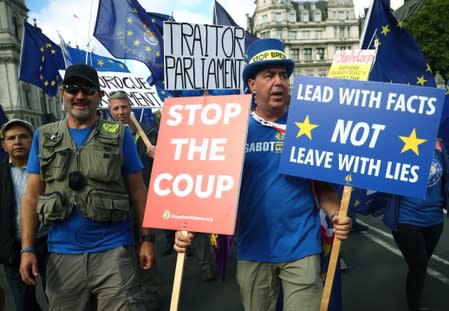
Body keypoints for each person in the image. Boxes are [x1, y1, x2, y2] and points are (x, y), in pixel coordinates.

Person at [174, 38, 352, 310]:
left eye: (283, 75)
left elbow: (325, 188)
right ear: (252, 85)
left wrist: (335, 213)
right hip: (252, 250)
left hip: (302, 249)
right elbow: (209, 189)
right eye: (268, 75)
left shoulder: (309, 127)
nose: (278, 81)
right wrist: (188, 227)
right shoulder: (231, 128)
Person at [19, 64, 155, 310]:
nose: (80, 96)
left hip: (115, 252)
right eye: (72, 89)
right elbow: (31, 196)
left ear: (99, 96)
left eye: (88, 90)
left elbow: (138, 190)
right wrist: (27, 248)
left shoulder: (119, 134)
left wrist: (147, 239)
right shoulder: (43, 135)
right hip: (62, 254)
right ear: (63, 92)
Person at [108, 91, 161, 309]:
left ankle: (151, 300)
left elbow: (170, 165)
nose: (121, 112)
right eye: (116, 108)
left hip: (147, 202)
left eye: (124, 107)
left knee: (148, 254)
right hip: (119, 208)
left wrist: (160, 155)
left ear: (130, 108)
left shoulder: (147, 134)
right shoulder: (105, 136)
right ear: (109, 111)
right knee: (125, 260)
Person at [382, 138, 449, 311]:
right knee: (418, 264)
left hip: (435, 219)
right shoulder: (396, 143)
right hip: (406, 219)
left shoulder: (438, 146)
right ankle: (414, 305)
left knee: (421, 264)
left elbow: (446, 178)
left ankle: (416, 292)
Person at [0, 119, 48, 311]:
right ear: (4, 145)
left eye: (23, 137)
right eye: (11, 138)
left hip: (48, 243)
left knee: (59, 298)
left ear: (34, 141)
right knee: (23, 305)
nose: (17, 142)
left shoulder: (49, 169)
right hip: (14, 248)